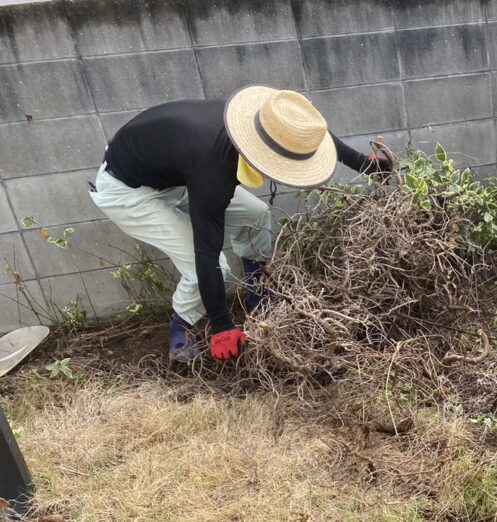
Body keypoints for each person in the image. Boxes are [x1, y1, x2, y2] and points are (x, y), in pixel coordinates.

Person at [89, 86, 391, 363]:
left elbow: (316, 137)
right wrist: (222, 326)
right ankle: (181, 330)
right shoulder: (213, 168)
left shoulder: (264, 119)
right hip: (128, 191)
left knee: (256, 214)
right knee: (209, 268)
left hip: (172, 171)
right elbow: (205, 252)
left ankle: (256, 294)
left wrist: (368, 166)